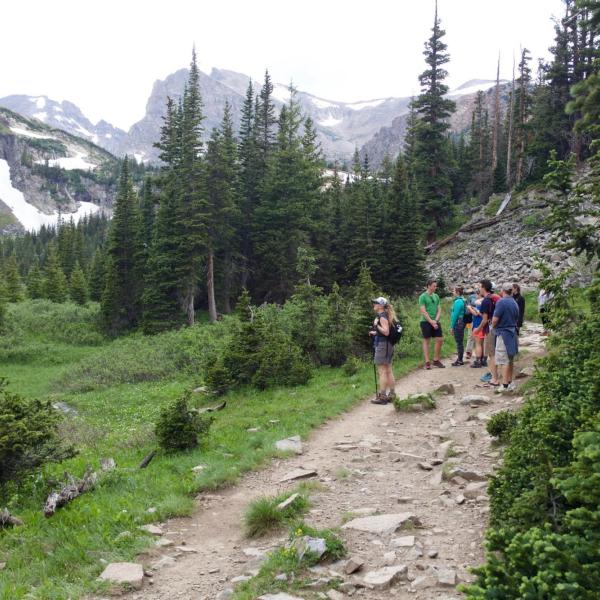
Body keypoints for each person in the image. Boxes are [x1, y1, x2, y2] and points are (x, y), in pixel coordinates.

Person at [491, 283, 520, 392]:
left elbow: (495, 319)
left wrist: (492, 327)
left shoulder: (501, 302)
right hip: (513, 332)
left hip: (503, 333)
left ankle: (504, 385)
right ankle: (510, 382)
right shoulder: (514, 302)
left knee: (503, 360)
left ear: (503, 290)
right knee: (510, 358)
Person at [369, 296, 397, 404]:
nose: (374, 304)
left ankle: (383, 397)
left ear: (380, 306)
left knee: (382, 371)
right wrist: (375, 332)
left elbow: (386, 332)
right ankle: (392, 394)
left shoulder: (382, 317)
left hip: (382, 346)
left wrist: (376, 325)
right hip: (387, 345)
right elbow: (385, 332)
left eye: (376, 303)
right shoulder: (386, 315)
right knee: (388, 370)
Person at [418, 279, 445, 370]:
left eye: (436, 286)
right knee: (426, 340)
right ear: (429, 286)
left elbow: (439, 309)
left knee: (440, 339)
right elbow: (423, 310)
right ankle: (427, 361)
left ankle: (436, 360)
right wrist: (431, 321)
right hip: (425, 321)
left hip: (435, 321)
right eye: (434, 286)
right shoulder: (422, 296)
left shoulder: (436, 296)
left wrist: (436, 320)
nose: (435, 287)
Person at [449, 285, 467, 366]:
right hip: (462, 322)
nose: (452, 292)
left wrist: (451, 327)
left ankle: (460, 360)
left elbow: (454, 315)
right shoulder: (463, 300)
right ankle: (460, 359)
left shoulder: (458, 302)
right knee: (460, 341)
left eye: (453, 291)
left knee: (459, 342)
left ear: (457, 292)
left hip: (458, 323)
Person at [464, 287, 477, 360]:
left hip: (471, 319)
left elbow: (467, 312)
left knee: (470, 336)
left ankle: (469, 352)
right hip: (479, 319)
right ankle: (482, 354)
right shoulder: (484, 297)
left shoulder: (469, 298)